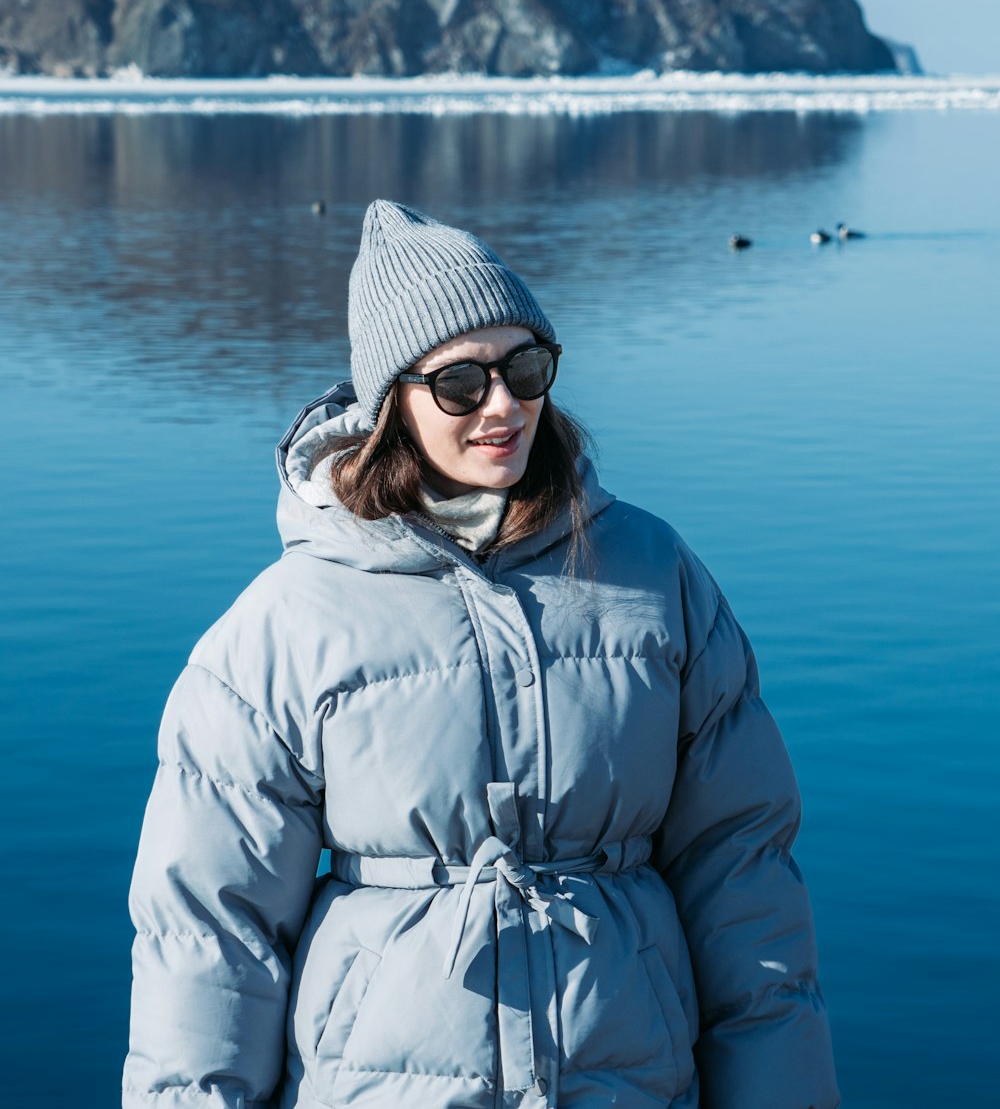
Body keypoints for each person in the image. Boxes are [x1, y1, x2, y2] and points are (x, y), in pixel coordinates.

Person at [124, 200, 839, 1109]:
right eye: (460, 383)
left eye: (526, 368)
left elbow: (743, 878)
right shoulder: (285, 626)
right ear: (391, 403)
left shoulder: (655, 578)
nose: (504, 405)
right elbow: (208, 938)